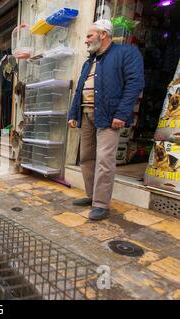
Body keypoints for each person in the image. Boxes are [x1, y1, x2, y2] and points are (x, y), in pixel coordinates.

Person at [68, 19, 145, 221]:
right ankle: (92, 196)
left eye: (89, 35)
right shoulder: (89, 61)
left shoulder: (126, 53)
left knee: (104, 160)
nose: (86, 40)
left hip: (110, 116)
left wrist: (121, 113)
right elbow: (80, 89)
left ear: (103, 34)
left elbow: (135, 83)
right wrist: (72, 114)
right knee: (86, 157)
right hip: (85, 114)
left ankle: (101, 205)